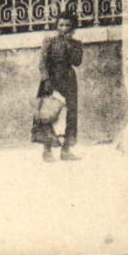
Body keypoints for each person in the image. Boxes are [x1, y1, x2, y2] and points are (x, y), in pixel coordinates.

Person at [36, 12, 83, 161]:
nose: (64, 28)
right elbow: (42, 63)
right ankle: (47, 150)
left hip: (68, 81)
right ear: (56, 26)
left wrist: (69, 45)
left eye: (68, 25)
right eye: (61, 25)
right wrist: (46, 81)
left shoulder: (76, 44)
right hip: (51, 79)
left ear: (73, 27)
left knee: (70, 114)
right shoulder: (49, 42)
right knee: (49, 113)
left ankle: (66, 150)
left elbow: (77, 62)